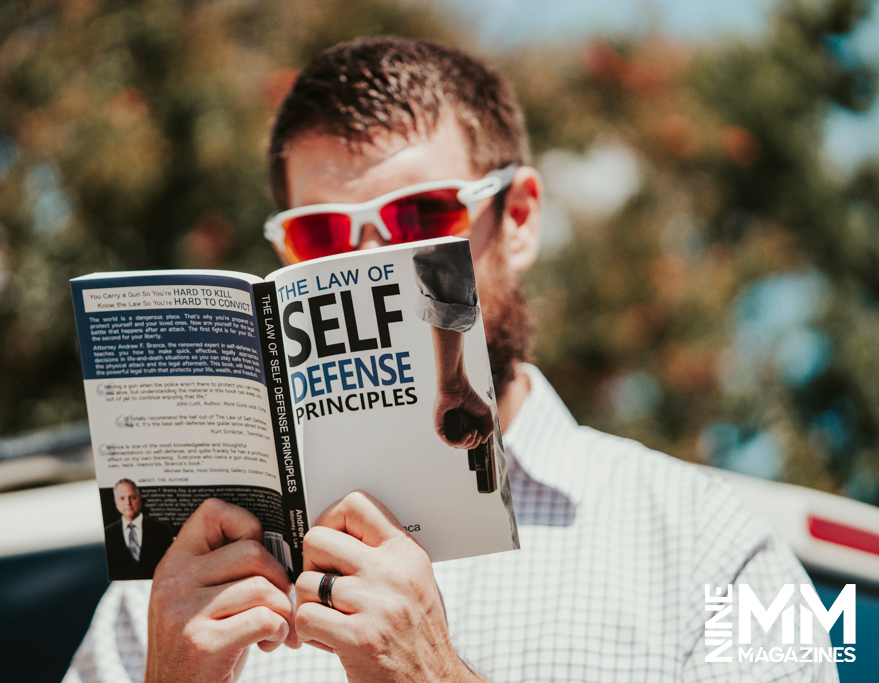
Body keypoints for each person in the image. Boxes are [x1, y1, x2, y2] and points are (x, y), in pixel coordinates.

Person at [66, 37, 837, 682]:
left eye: (419, 218)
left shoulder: (712, 548)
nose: (373, 269)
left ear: (521, 219)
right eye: (322, 237)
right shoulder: (165, 598)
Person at [103, 479, 175, 580]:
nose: (128, 503)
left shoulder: (162, 529)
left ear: (140, 499)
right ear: (116, 502)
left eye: (132, 497)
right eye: (122, 498)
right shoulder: (108, 533)